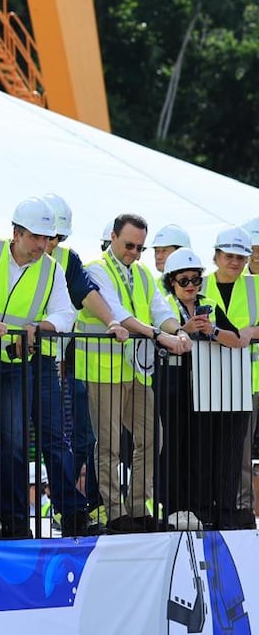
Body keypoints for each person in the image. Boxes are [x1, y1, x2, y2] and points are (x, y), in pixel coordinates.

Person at [0, 198, 76, 539]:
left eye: (47, 238)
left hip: (18, 362)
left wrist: (40, 327)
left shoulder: (52, 268)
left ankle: (15, 521)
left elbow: (65, 313)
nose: (43, 245)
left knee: (13, 443)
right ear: (16, 233)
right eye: (36, 237)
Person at [76, 213, 190, 534]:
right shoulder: (95, 269)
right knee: (110, 445)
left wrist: (178, 330)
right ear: (112, 237)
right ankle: (115, 512)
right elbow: (118, 314)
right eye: (129, 245)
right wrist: (160, 335)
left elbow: (161, 309)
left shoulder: (141, 275)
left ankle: (139, 508)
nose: (135, 253)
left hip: (136, 372)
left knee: (153, 437)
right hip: (103, 371)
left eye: (140, 248)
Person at [39, 193, 118, 536]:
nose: (52, 244)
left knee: (81, 439)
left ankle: (65, 503)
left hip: (63, 366)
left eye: (58, 238)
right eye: (49, 236)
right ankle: (62, 505)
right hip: (27, 363)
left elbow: (87, 294)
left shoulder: (68, 261)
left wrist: (113, 322)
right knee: (39, 440)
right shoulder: (8, 259)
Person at [157, 247, 249, 531]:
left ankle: (205, 508)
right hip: (171, 386)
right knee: (172, 448)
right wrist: (185, 328)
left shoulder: (208, 303)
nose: (191, 287)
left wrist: (212, 331)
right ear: (171, 280)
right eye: (184, 280)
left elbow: (237, 339)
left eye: (195, 280)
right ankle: (174, 508)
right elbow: (158, 335)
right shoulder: (163, 305)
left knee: (203, 449)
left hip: (205, 389)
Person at [201, 226, 259, 530]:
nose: (235, 262)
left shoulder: (256, 286)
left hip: (248, 379)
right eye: (229, 256)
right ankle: (214, 505)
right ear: (216, 256)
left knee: (241, 448)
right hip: (207, 377)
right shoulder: (199, 283)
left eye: (240, 257)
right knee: (210, 446)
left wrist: (254, 331)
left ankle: (240, 508)